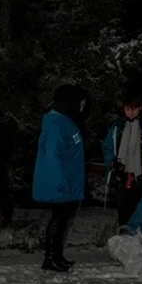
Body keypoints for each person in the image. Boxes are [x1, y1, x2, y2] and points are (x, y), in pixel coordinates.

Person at [32, 84, 88, 273]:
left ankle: (56, 256)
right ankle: (50, 258)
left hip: (67, 182)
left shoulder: (65, 121)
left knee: (62, 219)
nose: (82, 107)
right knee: (58, 218)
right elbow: (52, 156)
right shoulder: (57, 124)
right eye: (80, 103)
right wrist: (60, 181)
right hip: (62, 183)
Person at [102, 92, 142, 226]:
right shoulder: (118, 127)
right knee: (123, 211)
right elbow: (107, 146)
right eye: (127, 108)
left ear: (140, 108)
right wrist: (112, 162)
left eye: (134, 108)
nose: (131, 112)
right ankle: (124, 239)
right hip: (122, 176)